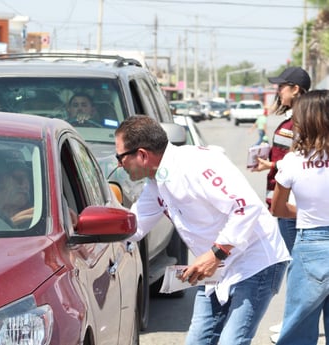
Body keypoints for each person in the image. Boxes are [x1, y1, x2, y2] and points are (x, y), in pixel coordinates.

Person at [115, 115, 291, 345]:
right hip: (216, 269)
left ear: (142, 155)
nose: (119, 164)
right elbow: (134, 225)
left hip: (255, 263)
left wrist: (215, 254)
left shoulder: (196, 164)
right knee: (198, 341)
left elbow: (246, 207)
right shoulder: (156, 181)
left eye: (120, 157)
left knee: (232, 342)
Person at [250, 66, 311, 342]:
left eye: (282, 86)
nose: (278, 91)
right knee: (295, 264)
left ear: (296, 89)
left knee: (298, 265)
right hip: (283, 199)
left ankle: (293, 323)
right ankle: (292, 320)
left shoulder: (303, 118)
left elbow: (302, 156)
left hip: (292, 203)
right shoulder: (292, 116)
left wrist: (272, 163)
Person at [271, 89, 329, 345]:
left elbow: (278, 208)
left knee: (298, 330)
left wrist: (305, 212)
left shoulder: (293, 161)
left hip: (311, 244)